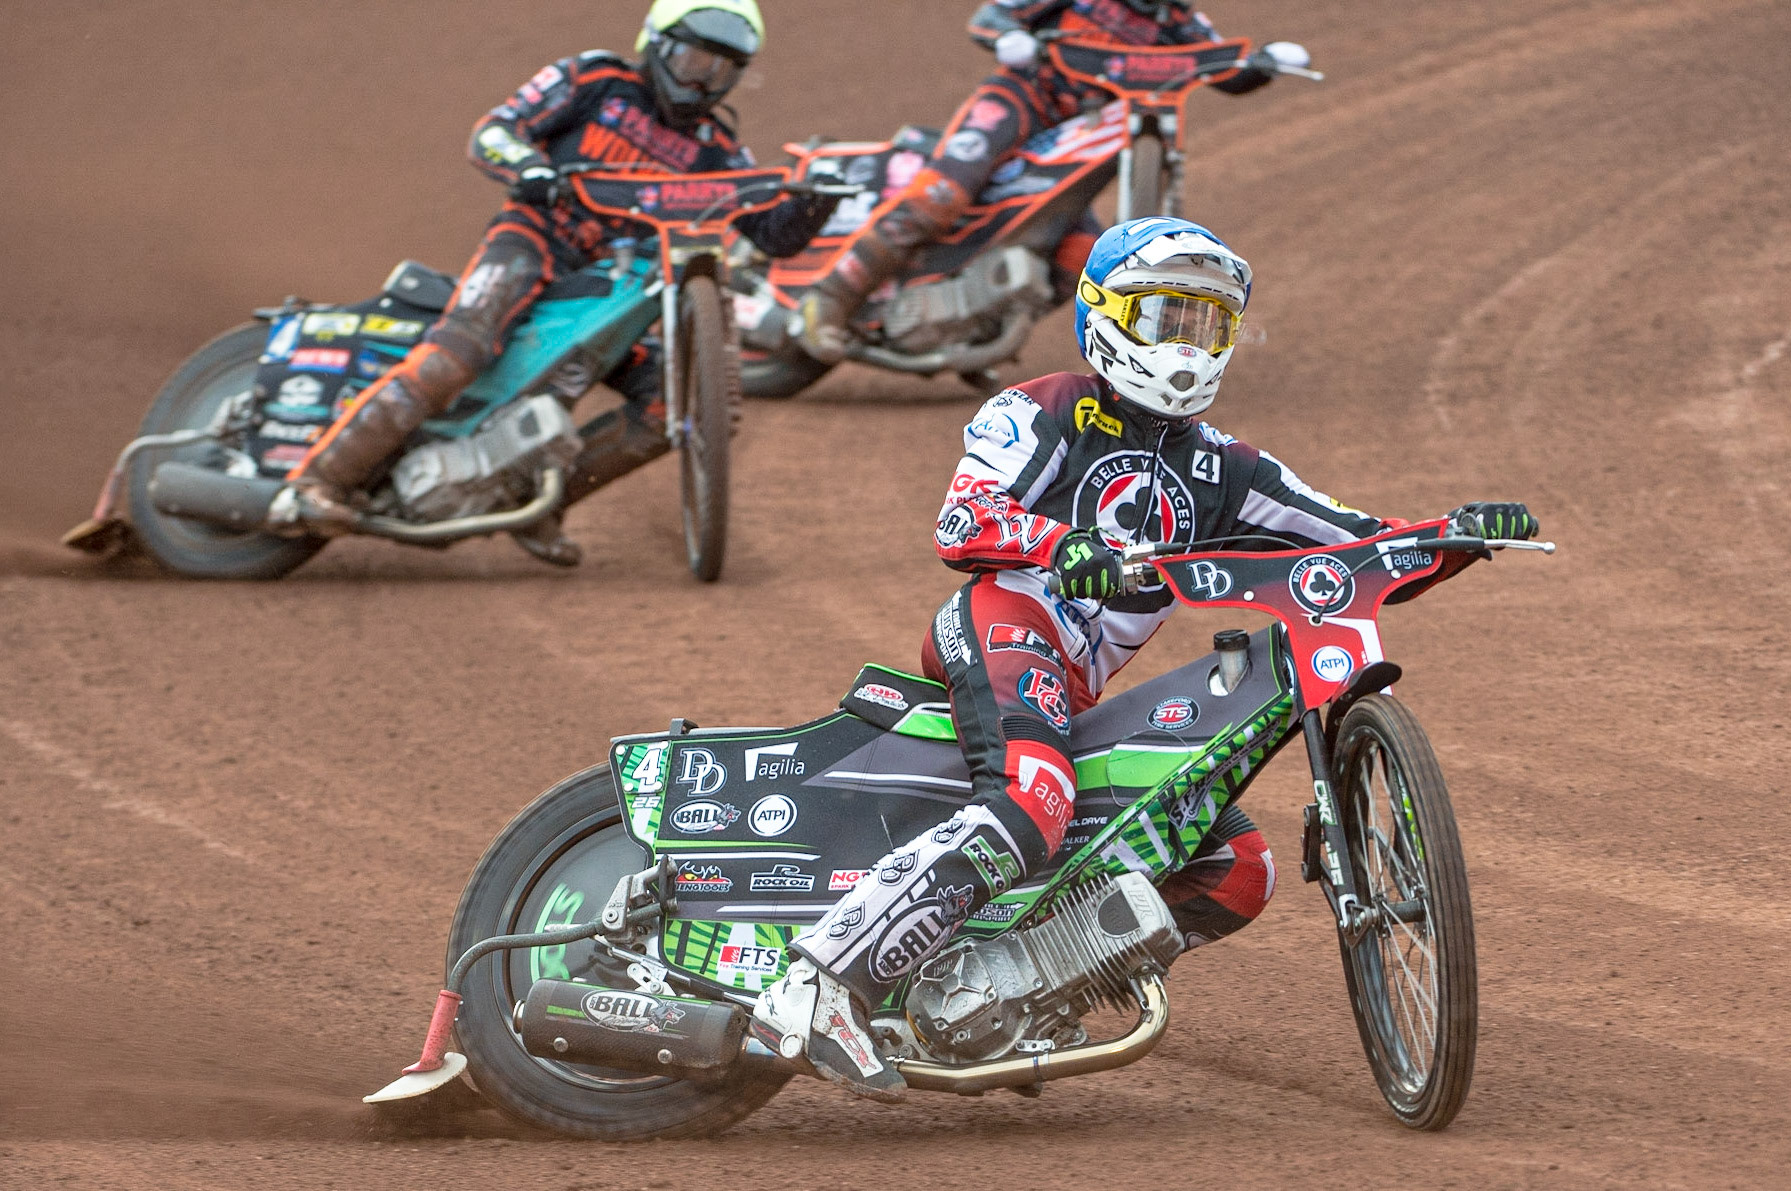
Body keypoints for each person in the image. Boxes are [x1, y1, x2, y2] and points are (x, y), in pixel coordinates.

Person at [752, 216, 1538, 1101]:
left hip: (1074, 684)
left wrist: (1457, 535)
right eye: (1165, 318)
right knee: (1034, 797)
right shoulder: (1036, 409)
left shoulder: (1226, 468)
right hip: (1004, 621)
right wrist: (1059, 544)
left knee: (1237, 869)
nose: (1185, 346)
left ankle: (1025, 987)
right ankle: (816, 982)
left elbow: (1356, 543)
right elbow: (962, 520)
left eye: (1205, 326)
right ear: (1104, 316)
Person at [284, 0, 838, 565]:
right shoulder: (595, 80)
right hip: (533, 241)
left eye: (720, 70)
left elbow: (773, 234)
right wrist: (529, 168)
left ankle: (545, 502)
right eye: (693, 60)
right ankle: (319, 480)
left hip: (610, 288)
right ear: (655, 43)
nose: (701, 81)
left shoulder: (717, 149)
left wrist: (818, 199)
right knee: (460, 350)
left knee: (669, 404)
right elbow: (495, 130)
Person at [789, 0, 1311, 363]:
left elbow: (1225, 69)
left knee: (1079, 259)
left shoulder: (1181, 20)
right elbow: (989, 17)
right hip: (1022, 100)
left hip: (1075, 148)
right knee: (942, 195)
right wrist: (1011, 37)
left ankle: (979, 332)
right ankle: (830, 298)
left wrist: (1265, 63)